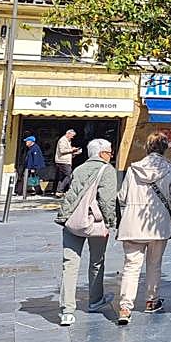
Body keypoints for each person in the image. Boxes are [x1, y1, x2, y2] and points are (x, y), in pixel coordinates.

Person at [116, 131, 171, 325]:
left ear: (147, 147)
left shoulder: (133, 169)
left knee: (131, 266)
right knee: (154, 265)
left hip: (131, 223)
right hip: (158, 224)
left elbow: (122, 197)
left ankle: (125, 307)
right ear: (164, 149)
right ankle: (151, 301)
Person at [54, 139, 118, 326]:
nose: (111, 155)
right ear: (102, 153)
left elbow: (73, 194)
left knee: (70, 264)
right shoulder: (107, 170)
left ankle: (67, 310)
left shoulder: (79, 169)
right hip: (94, 223)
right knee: (97, 262)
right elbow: (107, 200)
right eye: (109, 152)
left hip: (72, 220)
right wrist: (110, 222)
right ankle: (95, 300)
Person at [53, 129, 81, 197]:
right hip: (63, 161)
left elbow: (66, 151)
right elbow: (62, 151)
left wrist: (74, 152)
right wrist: (72, 150)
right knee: (68, 176)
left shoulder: (67, 141)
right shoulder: (63, 140)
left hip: (63, 161)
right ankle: (60, 190)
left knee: (62, 177)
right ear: (68, 134)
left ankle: (59, 191)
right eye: (72, 136)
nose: (72, 137)